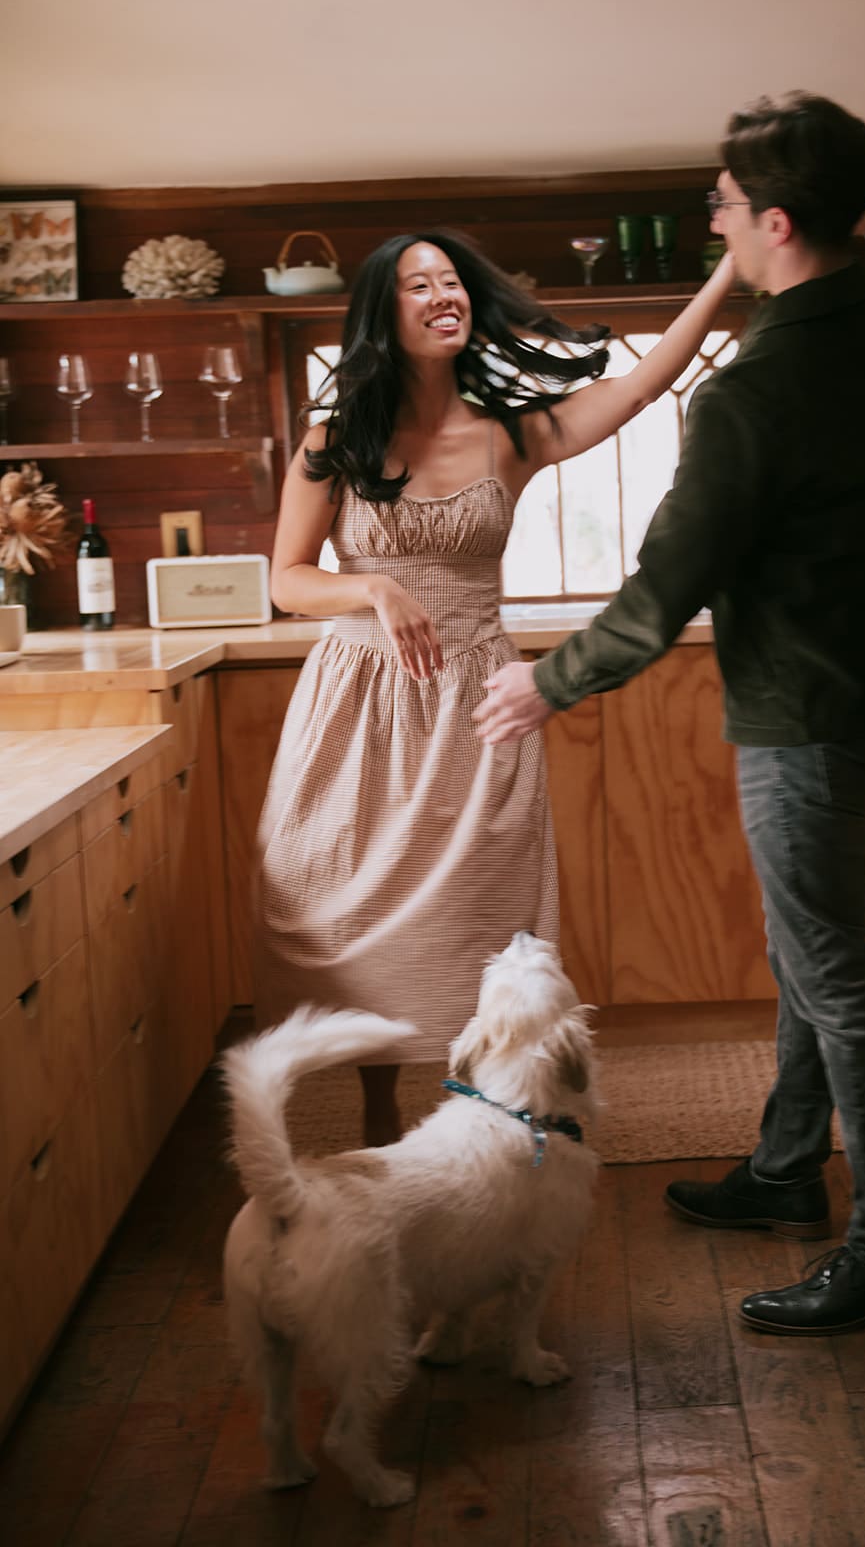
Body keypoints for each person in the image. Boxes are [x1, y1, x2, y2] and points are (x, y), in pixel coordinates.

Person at [474, 92, 865, 1334]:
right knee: (810, 957)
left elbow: (664, 591)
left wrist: (543, 682)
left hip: (804, 725)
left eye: (719, 203)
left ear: (772, 220)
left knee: (833, 974)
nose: (708, 218)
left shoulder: (752, 393)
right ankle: (784, 1170)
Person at [255, 227, 737, 1147]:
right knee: (346, 907)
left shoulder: (513, 431)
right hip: (360, 700)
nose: (442, 294)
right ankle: (374, 1109)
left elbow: (640, 384)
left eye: (451, 281)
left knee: (481, 916)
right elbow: (285, 578)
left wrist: (729, 270)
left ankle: (479, 1115)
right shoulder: (334, 441)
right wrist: (371, 586)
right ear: (380, 315)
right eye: (416, 285)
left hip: (478, 698)